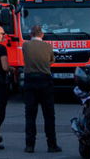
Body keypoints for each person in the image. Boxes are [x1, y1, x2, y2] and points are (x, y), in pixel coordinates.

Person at [22, 25, 61, 153]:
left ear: (30, 34)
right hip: (45, 80)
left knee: (30, 115)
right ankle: (52, 144)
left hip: (30, 81)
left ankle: (30, 145)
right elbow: (52, 61)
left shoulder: (25, 46)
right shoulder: (48, 46)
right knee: (49, 115)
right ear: (42, 35)